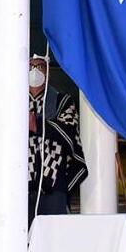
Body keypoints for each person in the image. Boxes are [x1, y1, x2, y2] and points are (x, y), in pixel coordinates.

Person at [27, 54, 87, 220]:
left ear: (47, 72)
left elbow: (69, 133)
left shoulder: (62, 101)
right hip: (20, 184)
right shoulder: (13, 101)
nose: (34, 71)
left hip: (53, 183)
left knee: (54, 235)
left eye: (39, 67)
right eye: (30, 67)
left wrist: (37, 124)